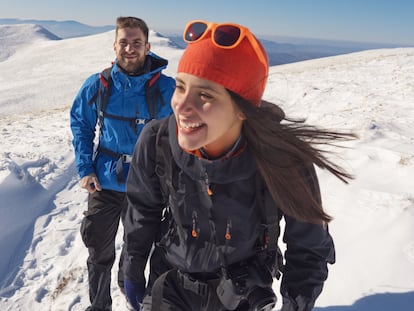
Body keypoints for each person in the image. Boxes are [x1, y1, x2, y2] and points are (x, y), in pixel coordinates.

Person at [123, 20, 356, 311]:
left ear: (243, 110)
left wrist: (295, 305)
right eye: (180, 87)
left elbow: (308, 248)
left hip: (243, 294)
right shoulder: (157, 141)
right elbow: (141, 211)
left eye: (205, 95)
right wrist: (131, 271)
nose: (181, 107)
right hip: (171, 285)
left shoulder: (282, 160)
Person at [70, 16, 175, 311]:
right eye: (124, 42)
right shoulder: (99, 85)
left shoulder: (166, 89)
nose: (130, 49)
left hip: (146, 185)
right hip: (103, 182)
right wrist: (85, 169)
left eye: (136, 43)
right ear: (115, 45)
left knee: (136, 250)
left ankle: (132, 299)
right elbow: (81, 124)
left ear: (147, 46)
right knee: (98, 250)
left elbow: (182, 133)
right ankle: (99, 305)